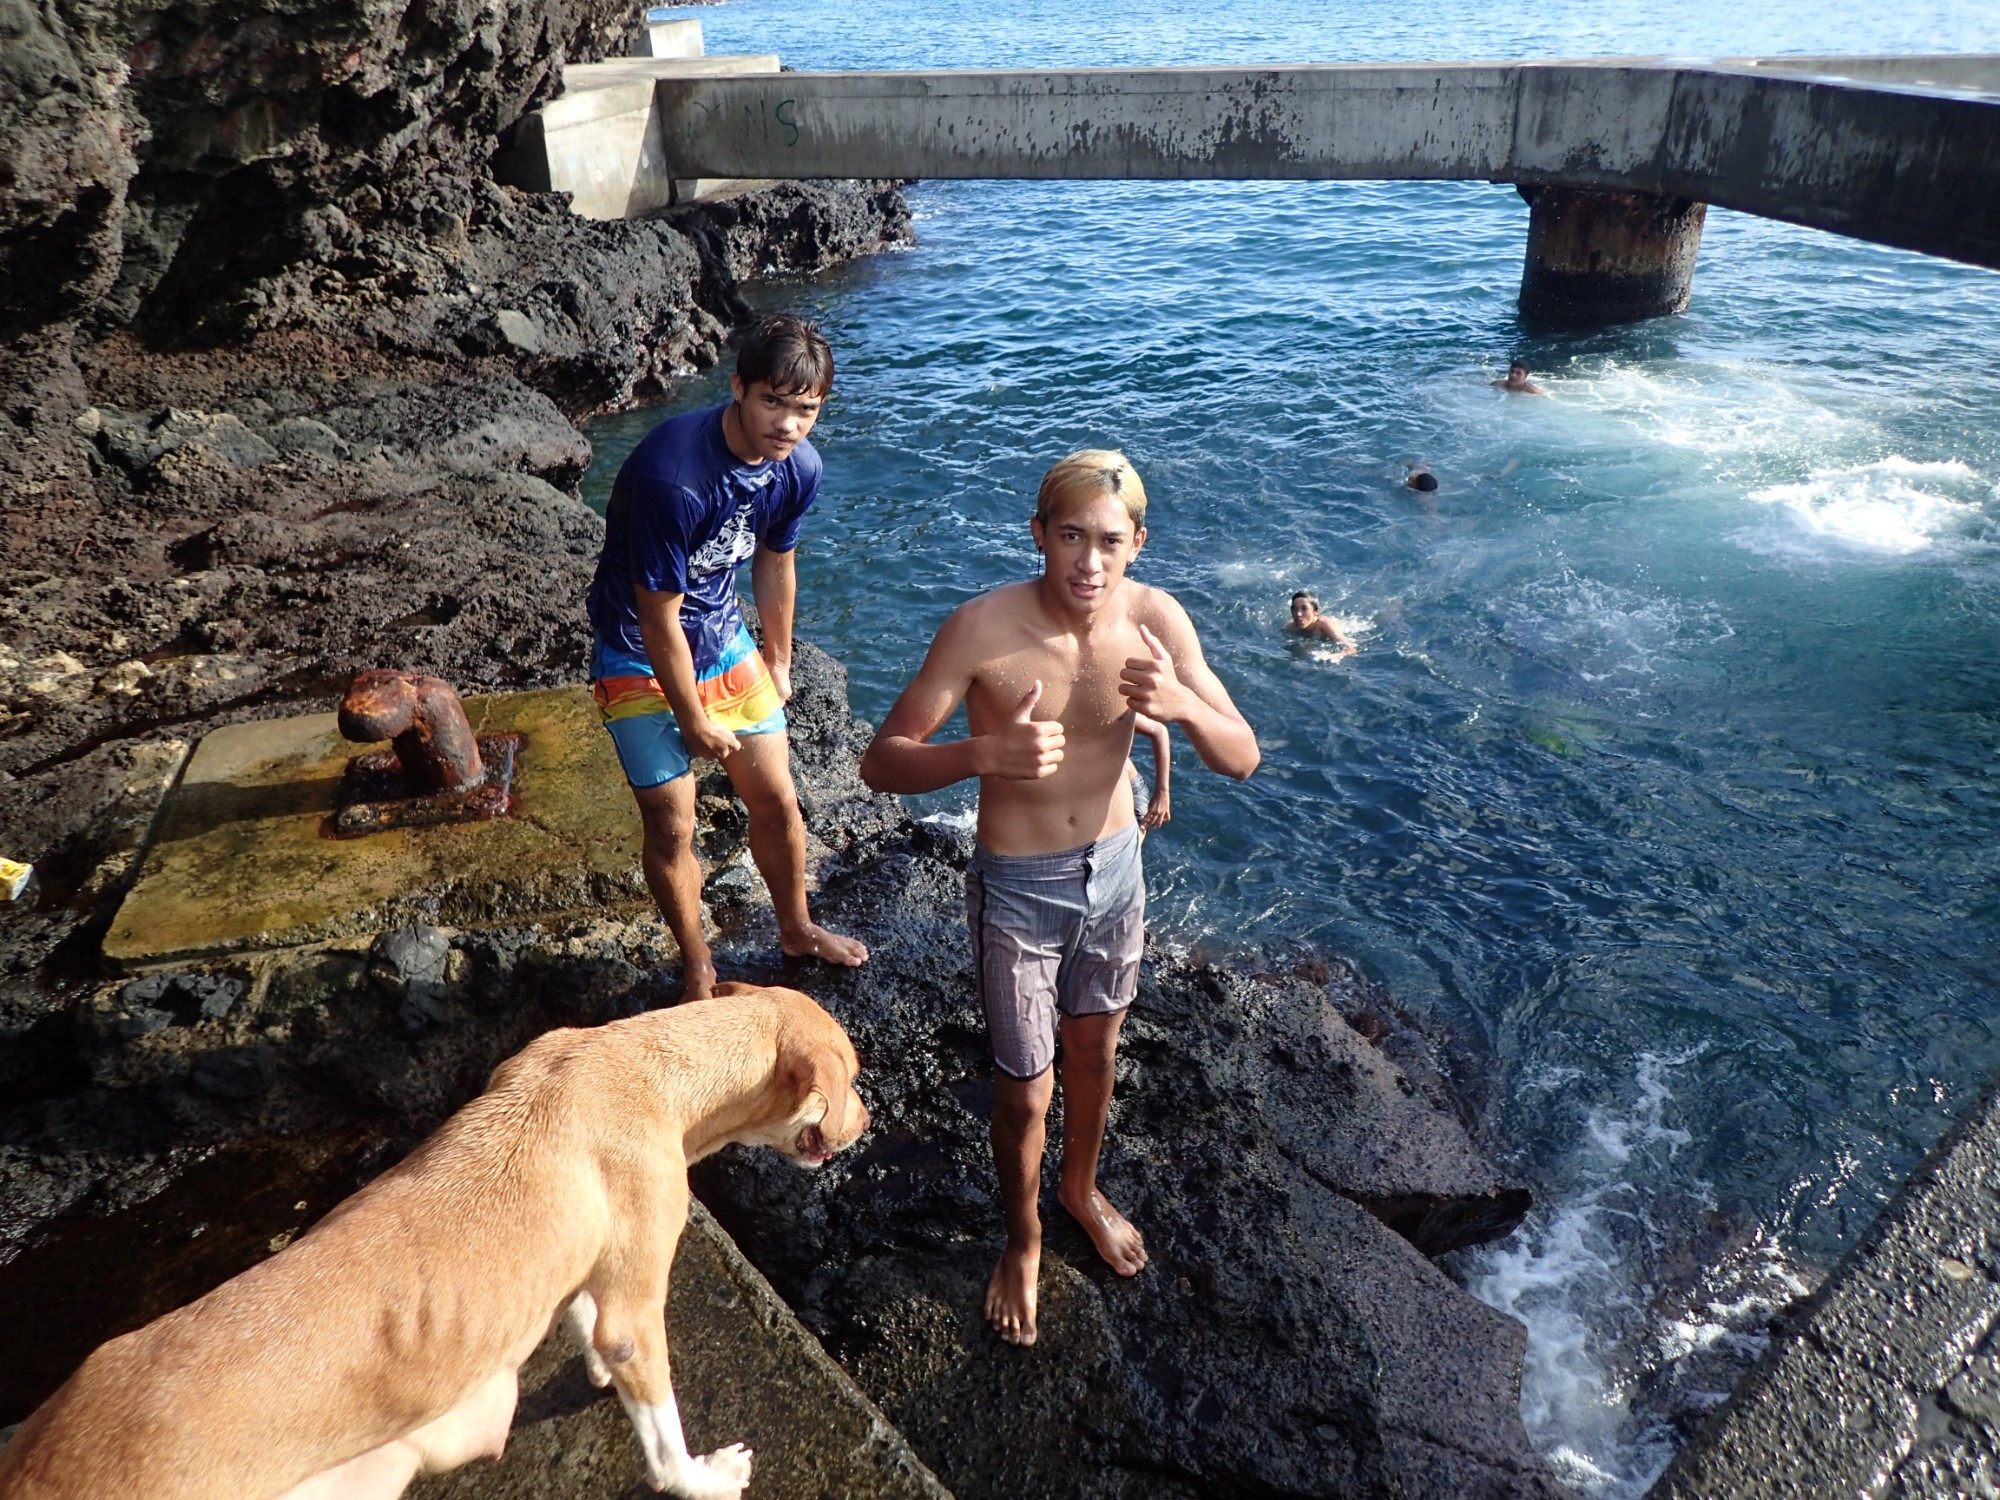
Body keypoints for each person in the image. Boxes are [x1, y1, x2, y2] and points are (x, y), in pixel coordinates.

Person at [858, 450, 1258, 1346]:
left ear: (1138, 544)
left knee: (1096, 1054)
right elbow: (879, 761)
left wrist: (1185, 708)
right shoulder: (981, 630)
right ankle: (1025, 1237)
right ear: (1038, 534)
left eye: (1110, 541)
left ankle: (1078, 1190)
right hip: (1019, 889)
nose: (1089, 562)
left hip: (1117, 872)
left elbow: (1243, 755)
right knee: (1025, 1094)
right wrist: (981, 756)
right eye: (1070, 536)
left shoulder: (1157, 623)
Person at [585, 314, 869, 1002]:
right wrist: (691, 718)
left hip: (720, 636)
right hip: (637, 650)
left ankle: (797, 928)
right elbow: (656, 615)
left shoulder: (797, 468)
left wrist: (777, 659)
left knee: (777, 801)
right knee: (672, 823)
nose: (789, 424)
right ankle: (697, 964)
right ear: (738, 388)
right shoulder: (673, 478)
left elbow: (777, 561)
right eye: (774, 401)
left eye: (806, 409)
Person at [1125, 711, 1171, 836]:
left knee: (1137, 833)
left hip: (1130, 786)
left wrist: (1162, 792)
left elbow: (1159, 731)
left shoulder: (1109, 711)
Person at [1288, 591, 1356, 659]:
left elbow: (1351, 649)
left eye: (1304, 609)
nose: (1298, 614)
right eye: (1294, 609)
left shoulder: (1327, 626)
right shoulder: (1290, 628)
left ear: (1316, 612)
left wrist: (1330, 656)